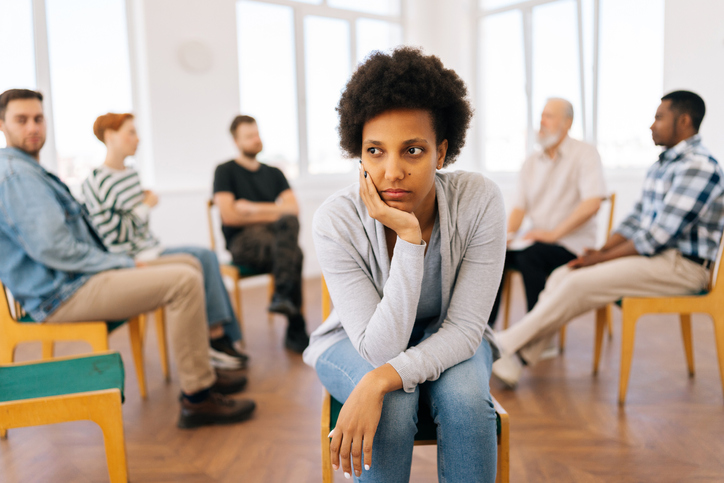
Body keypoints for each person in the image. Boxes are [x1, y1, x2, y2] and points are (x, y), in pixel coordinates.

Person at [302, 47, 506, 482]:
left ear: (442, 151)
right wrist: (411, 240)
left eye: (412, 150)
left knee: (467, 403)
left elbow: (466, 328)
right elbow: (377, 351)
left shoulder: (478, 200)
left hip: (451, 334)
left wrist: (379, 381)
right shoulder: (336, 220)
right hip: (356, 341)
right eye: (375, 151)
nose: (391, 171)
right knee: (392, 409)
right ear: (359, 154)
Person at [0, 89, 255, 428]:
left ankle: (206, 370)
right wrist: (118, 261)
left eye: (38, 118)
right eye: (21, 120)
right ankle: (198, 397)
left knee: (191, 264)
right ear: (3, 124)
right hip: (63, 293)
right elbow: (54, 249)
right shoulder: (17, 175)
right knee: (184, 279)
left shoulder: (28, 170)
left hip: (75, 280)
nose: (32, 126)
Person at [492, 90, 724, 388]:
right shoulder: (662, 166)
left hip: (684, 268)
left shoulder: (698, 166)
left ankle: (500, 345)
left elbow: (657, 236)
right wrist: (599, 251)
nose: (651, 125)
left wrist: (600, 259)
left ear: (684, 121)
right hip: (656, 259)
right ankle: (517, 360)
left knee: (577, 281)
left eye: (659, 118)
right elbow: (635, 221)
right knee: (563, 274)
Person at [81, 112, 247, 370]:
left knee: (206, 255)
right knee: (199, 260)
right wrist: (146, 205)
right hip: (130, 258)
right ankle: (216, 339)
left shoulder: (131, 174)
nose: (137, 139)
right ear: (110, 136)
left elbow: (136, 227)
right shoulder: (96, 181)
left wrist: (141, 208)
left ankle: (220, 338)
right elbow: (113, 235)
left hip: (151, 248)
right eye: (131, 132)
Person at [488, 98, 606, 329]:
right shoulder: (531, 162)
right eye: (542, 115)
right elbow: (519, 208)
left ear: (568, 123)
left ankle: (538, 332)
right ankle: (482, 330)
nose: (542, 121)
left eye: (549, 116)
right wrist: (506, 237)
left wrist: (553, 234)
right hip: (536, 239)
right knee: (493, 253)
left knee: (530, 257)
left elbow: (592, 203)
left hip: (572, 244)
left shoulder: (585, 154)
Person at [213, 115, 309, 353]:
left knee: (288, 223)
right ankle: (295, 325)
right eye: (249, 136)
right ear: (236, 141)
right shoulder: (224, 171)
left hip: (273, 237)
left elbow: (293, 209)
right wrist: (275, 211)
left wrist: (252, 208)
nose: (256, 140)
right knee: (294, 252)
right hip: (242, 242)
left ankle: (283, 297)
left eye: (257, 134)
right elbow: (229, 216)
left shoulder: (274, 172)